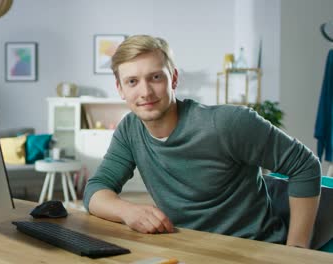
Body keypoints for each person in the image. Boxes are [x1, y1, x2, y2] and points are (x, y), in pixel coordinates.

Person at [83, 35, 321, 248]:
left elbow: (305, 166)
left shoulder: (228, 123)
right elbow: (96, 189)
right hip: (190, 247)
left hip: (255, 250)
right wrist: (128, 211)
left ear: (173, 78)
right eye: (132, 81)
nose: (145, 92)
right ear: (120, 89)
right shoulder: (130, 129)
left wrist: (296, 252)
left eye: (155, 77)